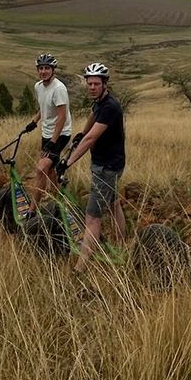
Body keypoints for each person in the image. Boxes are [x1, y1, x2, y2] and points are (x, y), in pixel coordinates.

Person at [60, 62, 125, 270]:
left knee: (92, 217)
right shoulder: (99, 102)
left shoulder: (110, 107)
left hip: (107, 167)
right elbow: (92, 118)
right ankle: (122, 245)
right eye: (89, 84)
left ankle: (80, 268)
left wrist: (67, 163)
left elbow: (90, 141)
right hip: (111, 163)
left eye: (96, 83)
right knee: (113, 203)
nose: (92, 87)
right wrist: (82, 132)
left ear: (105, 84)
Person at [26, 53, 73, 212]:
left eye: (47, 68)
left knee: (41, 169)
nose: (43, 71)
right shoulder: (38, 86)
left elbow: (62, 117)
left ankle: (32, 211)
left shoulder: (59, 89)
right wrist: (34, 121)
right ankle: (56, 198)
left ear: (53, 70)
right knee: (50, 168)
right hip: (46, 133)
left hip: (61, 134)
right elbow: (43, 106)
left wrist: (53, 141)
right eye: (41, 68)